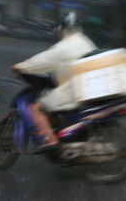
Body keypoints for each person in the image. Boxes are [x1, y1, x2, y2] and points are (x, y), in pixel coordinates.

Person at [11, 12, 97, 152]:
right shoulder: (87, 41)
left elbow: (43, 61)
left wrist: (20, 67)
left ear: (62, 29)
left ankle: (51, 141)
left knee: (36, 108)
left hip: (75, 89)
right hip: (90, 87)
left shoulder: (65, 45)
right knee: (53, 101)